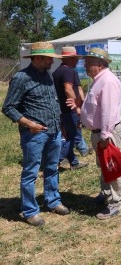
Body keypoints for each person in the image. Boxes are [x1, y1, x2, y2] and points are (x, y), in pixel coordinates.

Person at [2, 42, 70, 226]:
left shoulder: (46, 75)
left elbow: (52, 102)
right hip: (34, 135)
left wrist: (60, 123)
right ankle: (30, 210)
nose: (51, 62)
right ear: (38, 58)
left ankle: (53, 201)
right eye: (49, 58)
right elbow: (8, 107)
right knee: (31, 172)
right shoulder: (21, 78)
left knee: (52, 168)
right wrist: (29, 124)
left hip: (54, 131)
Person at [79, 47, 121, 220]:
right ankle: (106, 194)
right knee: (104, 165)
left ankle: (116, 203)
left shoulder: (107, 81)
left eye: (88, 63)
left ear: (99, 64)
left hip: (107, 132)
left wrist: (105, 135)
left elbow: (108, 111)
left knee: (112, 167)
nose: (85, 66)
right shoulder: (99, 79)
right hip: (100, 132)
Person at [52, 46, 89, 170]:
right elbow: (68, 89)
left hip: (61, 108)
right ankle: (56, 161)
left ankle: (73, 162)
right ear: (69, 59)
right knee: (74, 137)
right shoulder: (69, 71)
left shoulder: (57, 71)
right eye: (74, 59)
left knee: (68, 136)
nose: (76, 61)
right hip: (69, 109)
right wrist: (77, 106)